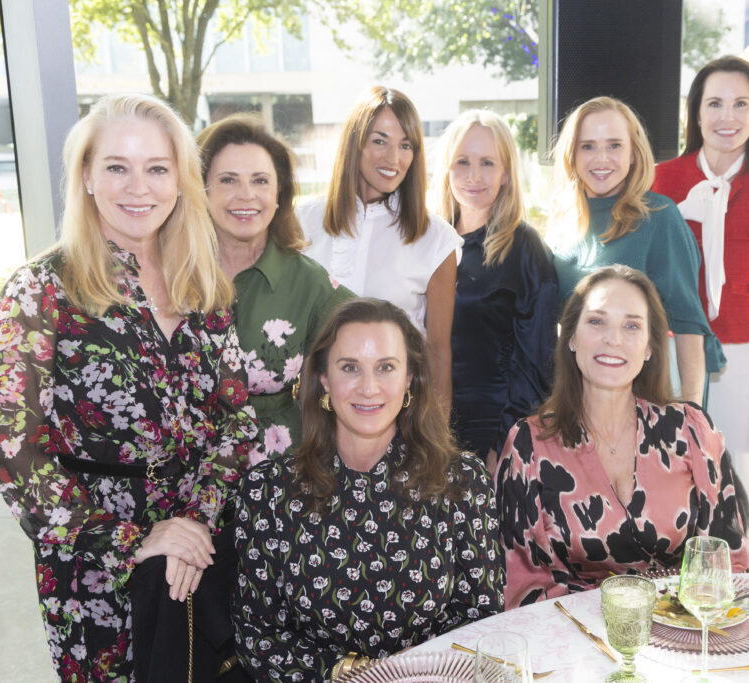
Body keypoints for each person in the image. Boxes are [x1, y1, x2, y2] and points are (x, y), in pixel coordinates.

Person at [0, 94, 259, 681]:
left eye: (157, 168)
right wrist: (133, 540)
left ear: (179, 181)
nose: (139, 188)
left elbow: (236, 421)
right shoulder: (41, 290)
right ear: (86, 176)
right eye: (116, 167)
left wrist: (193, 526)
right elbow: (7, 445)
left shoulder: (202, 283)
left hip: (204, 554)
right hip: (96, 572)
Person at [232, 298, 504, 681]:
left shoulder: (462, 482)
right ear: (323, 379)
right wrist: (357, 673)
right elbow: (258, 636)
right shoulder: (268, 491)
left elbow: (482, 618)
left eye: (386, 367)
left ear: (410, 378)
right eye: (350, 367)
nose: (369, 387)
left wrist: (414, 670)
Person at [494, 265, 748, 609]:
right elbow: (521, 585)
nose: (613, 339)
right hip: (573, 633)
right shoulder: (529, 445)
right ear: (570, 337)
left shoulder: (691, 430)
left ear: (649, 347)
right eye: (596, 321)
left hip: (682, 626)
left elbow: (728, 565)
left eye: (631, 326)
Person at [652, 56, 749, 569]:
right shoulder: (659, 181)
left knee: (747, 504)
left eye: (741, 104)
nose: (728, 116)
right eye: (715, 103)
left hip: (748, 366)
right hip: (673, 360)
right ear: (696, 114)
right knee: (671, 491)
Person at [547, 96, 725, 406]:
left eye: (614, 145)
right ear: (571, 154)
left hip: (646, 400)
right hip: (578, 399)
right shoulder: (562, 223)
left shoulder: (659, 217)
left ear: (633, 154)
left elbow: (688, 327)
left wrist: (692, 415)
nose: (601, 158)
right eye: (587, 146)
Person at [196, 113, 353, 460]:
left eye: (260, 181)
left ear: (279, 193)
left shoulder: (309, 282)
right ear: (201, 190)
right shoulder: (169, 274)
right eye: (228, 180)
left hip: (276, 472)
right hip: (180, 471)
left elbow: (377, 344)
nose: (246, 195)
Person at [297, 86, 461, 409]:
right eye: (380, 141)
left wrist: (438, 436)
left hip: (396, 417)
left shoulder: (437, 239)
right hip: (314, 415)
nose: (393, 159)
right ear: (354, 142)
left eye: (406, 145)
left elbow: (438, 352)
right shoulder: (302, 222)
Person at [430, 109, 559, 459]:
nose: (474, 176)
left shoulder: (525, 249)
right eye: (462, 162)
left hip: (490, 433)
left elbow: (538, 364)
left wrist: (504, 446)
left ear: (506, 174)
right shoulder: (426, 243)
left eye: (487, 163)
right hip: (424, 426)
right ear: (446, 169)